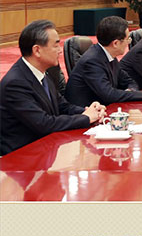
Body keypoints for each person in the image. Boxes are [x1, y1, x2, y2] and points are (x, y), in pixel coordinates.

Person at [0, 20, 105, 155]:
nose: (60, 51)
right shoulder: (15, 83)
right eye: (56, 46)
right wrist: (86, 118)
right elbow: (44, 123)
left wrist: (89, 111)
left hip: (44, 149)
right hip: (22, 157)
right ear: (37, 50)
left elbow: (63, 106)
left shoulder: (43, 72)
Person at [66, 16, 142, 106]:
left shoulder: (110, 56)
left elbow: (129, 81)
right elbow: (108, 94)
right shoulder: (92, 61)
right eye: (127, 39)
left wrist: (131, 91)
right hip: (86, 112)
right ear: (116, 43)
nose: (128, 42)